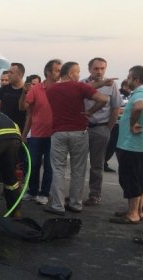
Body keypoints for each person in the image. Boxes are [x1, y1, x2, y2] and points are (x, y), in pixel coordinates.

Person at [45, 61, 108, 216]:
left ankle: (57, 205)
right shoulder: (80, 87)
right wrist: (90, 112)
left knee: (58, 169)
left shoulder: (51, 90)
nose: (79, 75)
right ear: (70, 73)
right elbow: (103, 99)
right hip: (79, 131)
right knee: (78, 170)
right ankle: (75, 203)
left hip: (58, 132)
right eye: (77, 72)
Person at [110, 66, 143, 224]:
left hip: (133, 145)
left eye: (129, 77)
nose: (127, 80)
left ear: (136, 79)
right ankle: (137, 210)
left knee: (130, 178)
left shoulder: (141, 92)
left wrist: (132, 123)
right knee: (139, 178)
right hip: (142, 144)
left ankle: (132, 214)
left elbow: (139, 106)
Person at [81, 58, 122, 207]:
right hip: (83, 128)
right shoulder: (83, 84)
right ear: (89, 68)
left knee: (97, 165)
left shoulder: (112, 86)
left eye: (102, 68)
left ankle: (95, 195)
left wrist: (107, 128)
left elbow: (116, 108)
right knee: (78, 164)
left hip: (100, 128)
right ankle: (76, 194)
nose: (99, 71)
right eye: (96, 68)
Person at [20, 59, 61, 206]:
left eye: (60, 70)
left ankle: (44, 193)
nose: (59, 73)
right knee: (33, 164)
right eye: (56, 70)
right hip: (37, 134)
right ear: (48, 72)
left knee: (50, 166)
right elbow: (24, 109)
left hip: (55, 135)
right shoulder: (36, 89)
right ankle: (32, 192)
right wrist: (24, 93)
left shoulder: (61, 89)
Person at [105, 79, 132, 172]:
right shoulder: (121, 95)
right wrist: (128, 111)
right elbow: (116, 109)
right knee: (112, 145)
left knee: (115, 145)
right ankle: (104, 162)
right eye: (129, 86)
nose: (130, 89)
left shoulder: (129, 96)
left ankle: (105, 162)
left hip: (122, 124)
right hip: (116, 123)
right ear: (124, 86)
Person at [0, 63, 26, 133]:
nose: (8, 74)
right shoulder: (4, 89)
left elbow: (28, 115)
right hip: (2, 129)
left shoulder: (26, 91)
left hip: (18, 131)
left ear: (20, 75)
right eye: (8, 71)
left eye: (11, 72)